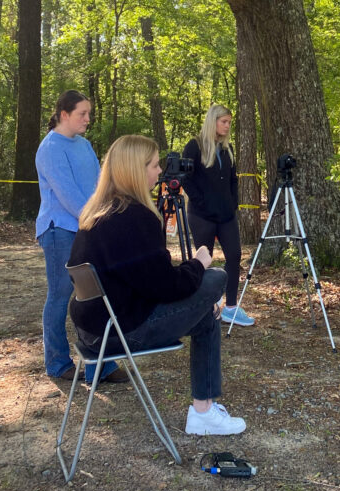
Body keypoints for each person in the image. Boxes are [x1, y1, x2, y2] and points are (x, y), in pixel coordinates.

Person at [67, 135, 246, 435]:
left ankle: (204, 410)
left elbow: (148, 278)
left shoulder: (98, 212)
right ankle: (203, 412)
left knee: (205, 316)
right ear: (135, 171)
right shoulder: (133, 217)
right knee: (216, 277)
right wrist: (199, 264)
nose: (159, 170)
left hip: (93, 331)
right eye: (152, 165)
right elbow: (166, 287)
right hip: (120, 333)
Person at [35, 90, 125, 384]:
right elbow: (69, 196)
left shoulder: (84, 145)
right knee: (61, 295)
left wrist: (111, 209)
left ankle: (102, 364)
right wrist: (99, 221)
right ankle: (58, 363)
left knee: (97, 294)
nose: (88, 119)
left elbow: (100, 184)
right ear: (64, 115)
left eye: (88, 113)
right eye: (82, 114)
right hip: (60, 230)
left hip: (89, 226)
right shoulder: (50, 148)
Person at [182, 104, 254, 327]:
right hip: (202, 215)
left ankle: (230, 307)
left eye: (229, 122)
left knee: (234, 255)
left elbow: (233, 179)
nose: (227, 126)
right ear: (212, 121)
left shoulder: (227, 148)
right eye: (224, 122)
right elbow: (186, 179)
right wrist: (201, 202)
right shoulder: (194, 146)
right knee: (205, 260)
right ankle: (206, 307)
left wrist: (233, 203)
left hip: (226, 215)